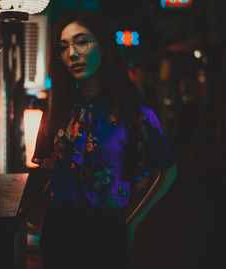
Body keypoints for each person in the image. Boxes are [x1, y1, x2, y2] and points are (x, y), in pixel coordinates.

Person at [32, 10, 177, 269]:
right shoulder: (59, 108)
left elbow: (168, 170)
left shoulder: (133, 111)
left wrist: (133, 221)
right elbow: (50, 170)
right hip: (58, 228)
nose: (72, 53)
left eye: (81, 41)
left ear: (104, 45)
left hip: (105, 231)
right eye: (63, 47)